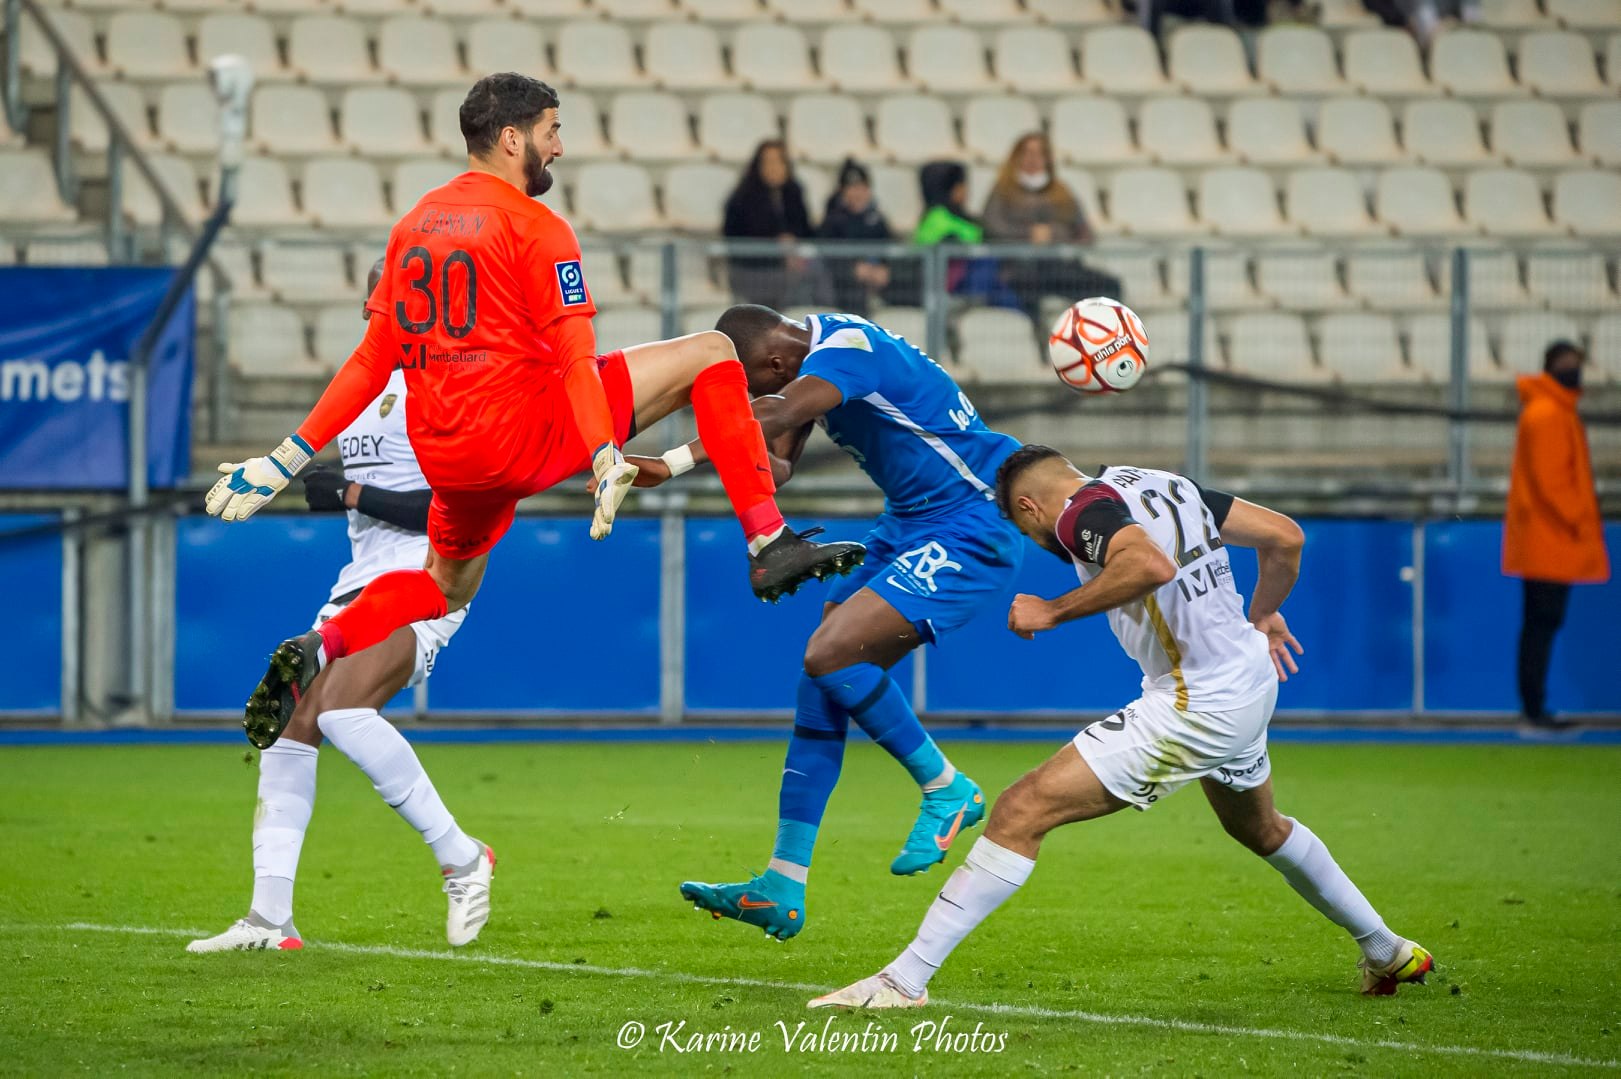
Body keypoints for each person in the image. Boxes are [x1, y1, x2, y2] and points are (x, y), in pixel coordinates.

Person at [204, 74, 864, 750]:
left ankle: (324, 640)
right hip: (521, 432)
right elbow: (578, 358)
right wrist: (603, 450)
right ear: (513, 137)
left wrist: (284, 456)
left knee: (443, 589)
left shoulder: (413, 226)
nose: (560, 147)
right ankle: (766, 541)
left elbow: (372, 357)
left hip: (451, 459)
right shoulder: (535, 226)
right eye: (552, 130)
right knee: (715, 349)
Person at [812, 446, 1432, 1007]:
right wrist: (1265, 611)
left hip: (1199, 700)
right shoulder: (1161, 483)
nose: (1037, 539)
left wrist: (1051, 610)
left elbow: (1148, 565)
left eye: (1025, 528)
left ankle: (904, 981)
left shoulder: (1077, 512)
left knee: (1021, 809)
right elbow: (1284, 537)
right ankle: (1386, 949)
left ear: (1030, 506)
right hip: (1245, 678)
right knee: (1261, 828)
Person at [633, 306, 1024, 940]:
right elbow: (777, 463)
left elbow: (776, 415)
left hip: (970, 521)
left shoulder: (844, 349)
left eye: (754, 385)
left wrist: (671, 460)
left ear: (775, 365)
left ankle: (947, 787)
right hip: (910, 523)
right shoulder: (811, 361)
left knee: (831, 654)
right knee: (820, 676)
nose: (757, 398)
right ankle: (782, 884)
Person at [189, 260, 494, 954]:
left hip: (427, 580)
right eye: (383, 292)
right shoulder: (361, 389)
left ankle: (462, 856)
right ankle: (270, 918)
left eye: (402, 294)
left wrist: (351, 494)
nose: (384, 303)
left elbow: (457, 512)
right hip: (358, 582)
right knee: (293, 720)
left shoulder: (453, 390)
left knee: (341, 706)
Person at [1503, 340, 1608, 729]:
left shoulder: (1553, 411)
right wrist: (1581, 521)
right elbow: (1552, 485)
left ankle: (1535, 708)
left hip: (1548, 538)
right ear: (1550, 368)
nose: (1573, 371)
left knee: (1541, 625)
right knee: (1541, 625)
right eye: (1566, 364)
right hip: (1549, 538)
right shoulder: (1549, 413)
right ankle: (1534, 710)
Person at [982, 132, 1122, 322]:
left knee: (1109, 286)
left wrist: (1055, 235)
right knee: (1028, 297)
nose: (1033, 159)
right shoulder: (1002, 191)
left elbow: (1085, 234)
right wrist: (1029, 235)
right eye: (1027, 153)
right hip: (1020, 270)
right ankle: (1038, 341)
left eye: (1039, 154)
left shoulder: (1061, 192)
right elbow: (992, 228)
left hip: (1059, 268)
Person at [723, 139, 815, 308]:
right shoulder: (742, 199)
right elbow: (735, 241)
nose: (774, 167)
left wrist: (793, 245)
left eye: (779, 161)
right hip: (754, 271)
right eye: (768, 162)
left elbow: (806, 230)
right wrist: (777, 247)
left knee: (817, 270)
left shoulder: (794, 193)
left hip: (793, 267)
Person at [818, 159, 893, 318]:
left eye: (861, 187)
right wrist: (852, 269)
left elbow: (890, 251)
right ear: (842, 191)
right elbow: (826, 257)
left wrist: (885, 269)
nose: (857, 193)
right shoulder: (832, 221)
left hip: (876, 285)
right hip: (843, 289)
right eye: (851, 187)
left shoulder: (879, 220)